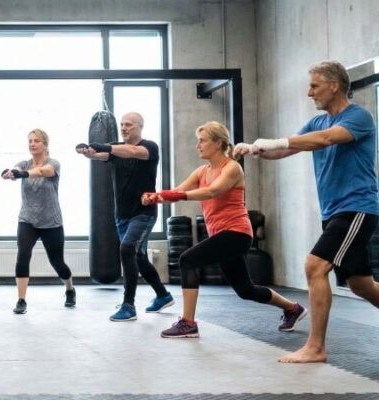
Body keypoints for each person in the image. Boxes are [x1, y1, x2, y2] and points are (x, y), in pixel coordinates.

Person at [235, 60, 379, 363]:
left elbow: (326, 140)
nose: (308, 93)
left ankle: (316, 347)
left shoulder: (359, 117)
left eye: (314, 86)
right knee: (361, 285)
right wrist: (255, 149)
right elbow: (287, 149)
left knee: (315, 266)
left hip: (357, 208)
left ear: (334, 85)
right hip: (334, 211)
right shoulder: (317, 122)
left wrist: (274, 141)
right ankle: (317, 345)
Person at [142, 121, 304, 338]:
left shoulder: (232, 168)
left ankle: (188, 323)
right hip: (221, 235)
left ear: (218, 143)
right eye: (198, 141)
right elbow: (178, 191)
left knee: (187, 260)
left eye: (203, 141)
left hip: (236, 233)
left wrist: (174, 196)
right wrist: (156, 196)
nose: (198, 145)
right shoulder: (202, 171)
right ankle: (293, 309)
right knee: (245, 290)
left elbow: (212, 192)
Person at [77, 111, 173, 322]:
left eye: (128, 124)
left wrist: (105, 146)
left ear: (140, 126)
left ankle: (128, 305)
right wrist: (88, 151)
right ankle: (163, 295)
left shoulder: (149, 147)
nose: (123, 128)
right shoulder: (117, 149)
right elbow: (100, 155)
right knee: (138, 257)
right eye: (121, 124)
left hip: (144, 213)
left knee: (127, 248)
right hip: (122, 215)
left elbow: (130, 151)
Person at [1, 128, 75, 314]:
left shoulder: (54, 163)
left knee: (57, 262)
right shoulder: (23, 164)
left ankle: (69, 289)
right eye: (30, 141)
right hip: (27, 219)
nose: (32, 144)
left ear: (45, 144)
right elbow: (16, 169)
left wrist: (23, 175)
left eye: (36, 141)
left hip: (51, 222)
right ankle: (21, 300)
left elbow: (45, 171)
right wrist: (10, 173)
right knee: (23, 254)